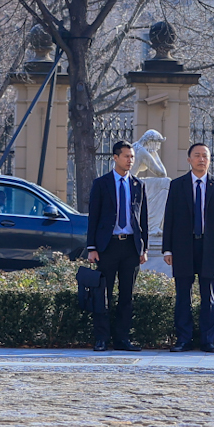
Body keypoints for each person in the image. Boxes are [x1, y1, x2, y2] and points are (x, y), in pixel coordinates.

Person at [162, 142, 214, 353]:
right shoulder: (177, 185)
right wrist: (167, 249)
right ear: (189, 159)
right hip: (184, 247)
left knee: (209, 296)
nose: (202, 159)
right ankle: (183, 339)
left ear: (209, 160)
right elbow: (170, 218)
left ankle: (207, 340)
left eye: (205, 156)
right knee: (183, 295)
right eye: (197, 155)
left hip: (210, 248)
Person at [84, 140, 147, 353]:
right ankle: (102, 338)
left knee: (126, 295)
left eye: (132, 157)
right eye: (127, 156)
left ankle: (123, 339)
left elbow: (143, 219)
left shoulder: (138, 185)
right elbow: (94, 217)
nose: (130, 160)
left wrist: (143, 249)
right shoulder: (102, 184)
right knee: (103, 294)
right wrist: (92, 248)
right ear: (115, 157)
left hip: (130, 247)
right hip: (107, 246)